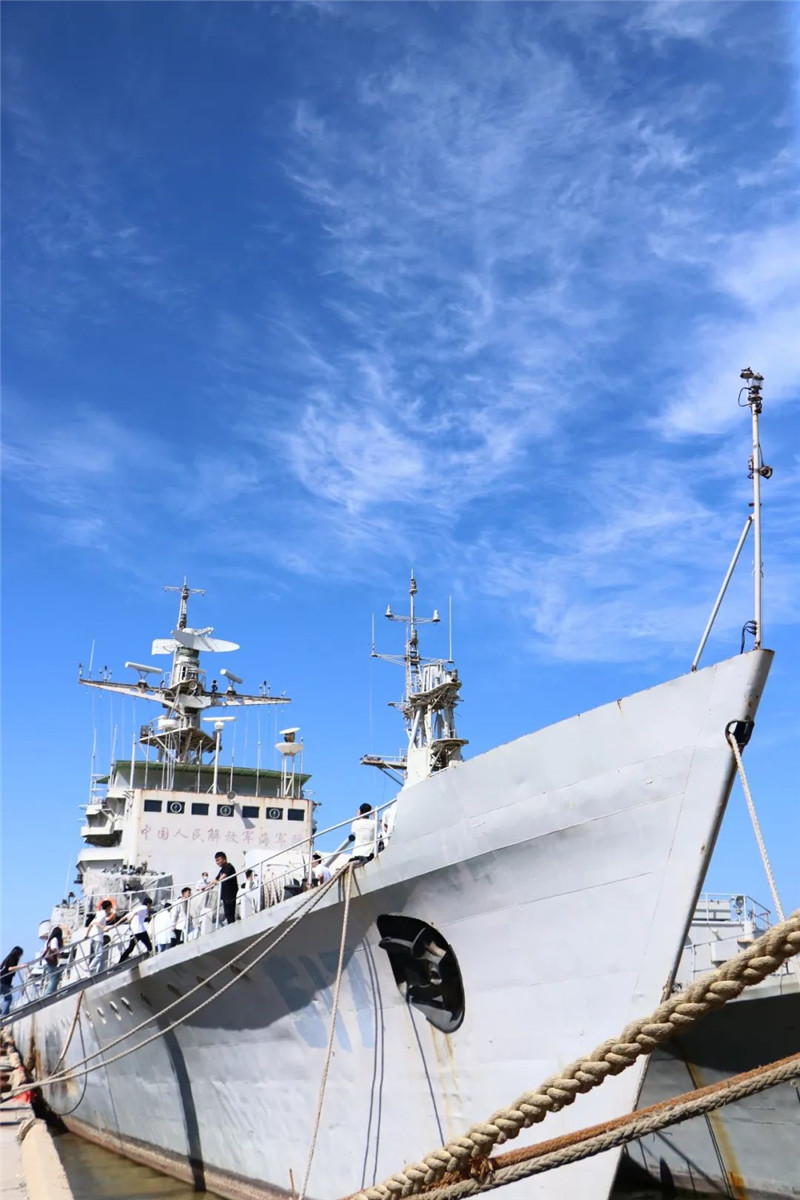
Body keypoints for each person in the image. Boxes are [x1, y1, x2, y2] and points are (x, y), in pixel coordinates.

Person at [118, 897, 154, 962]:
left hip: (135, 932)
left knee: (130, 948)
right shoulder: (144, 908)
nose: (151, 907)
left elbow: (125, 916)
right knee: (149, 945)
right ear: (148, 904)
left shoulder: (138, 909)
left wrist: (116, 924)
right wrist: (130, 919)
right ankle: (152, 957)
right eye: (151, 905)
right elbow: (135, 913)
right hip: (141, 931)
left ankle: (120, 961)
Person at [88, 901, 115, 975]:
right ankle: (89, 969)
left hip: (93, 937)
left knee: (101, 957)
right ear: (108, 907)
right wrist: (104, 928)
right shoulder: (103, 914)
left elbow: (92, 923)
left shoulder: (99, 913)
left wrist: (87, 934)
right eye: (110, 907)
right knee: (99, 955)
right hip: (97, 938)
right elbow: (96, 923)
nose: (111, 909)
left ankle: (100, 972)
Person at [0, 947, 27, 1017]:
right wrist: (21, 966)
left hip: (4, 982)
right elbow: (10, 968)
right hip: (3, 982)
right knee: (8, 998)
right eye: (20, 954)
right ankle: (4, 1015)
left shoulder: (8, 958)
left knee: (8, 998)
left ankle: (4, 1015)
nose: (21, 956)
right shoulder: (12, 958)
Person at [214, 853, 238, 924]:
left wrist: (217, 881)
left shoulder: (229, 867)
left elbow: (222, 877)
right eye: (216, 861)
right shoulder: (222, 869)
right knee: (227, 914)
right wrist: (206, 887)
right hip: (225, 897)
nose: (217, 862)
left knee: (230, 914)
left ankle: (233, 929)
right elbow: (216, 879)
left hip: (231, 896)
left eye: (218, 860)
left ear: (224, 859)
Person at [42, 927, 64, 997]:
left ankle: (53, 993)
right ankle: (48, 994)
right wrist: (59, 954)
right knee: (54, 976)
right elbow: (53, 949)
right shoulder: (54, 940)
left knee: (56, 975)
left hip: (46, 962)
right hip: (49, 962)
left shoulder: (48, 941)